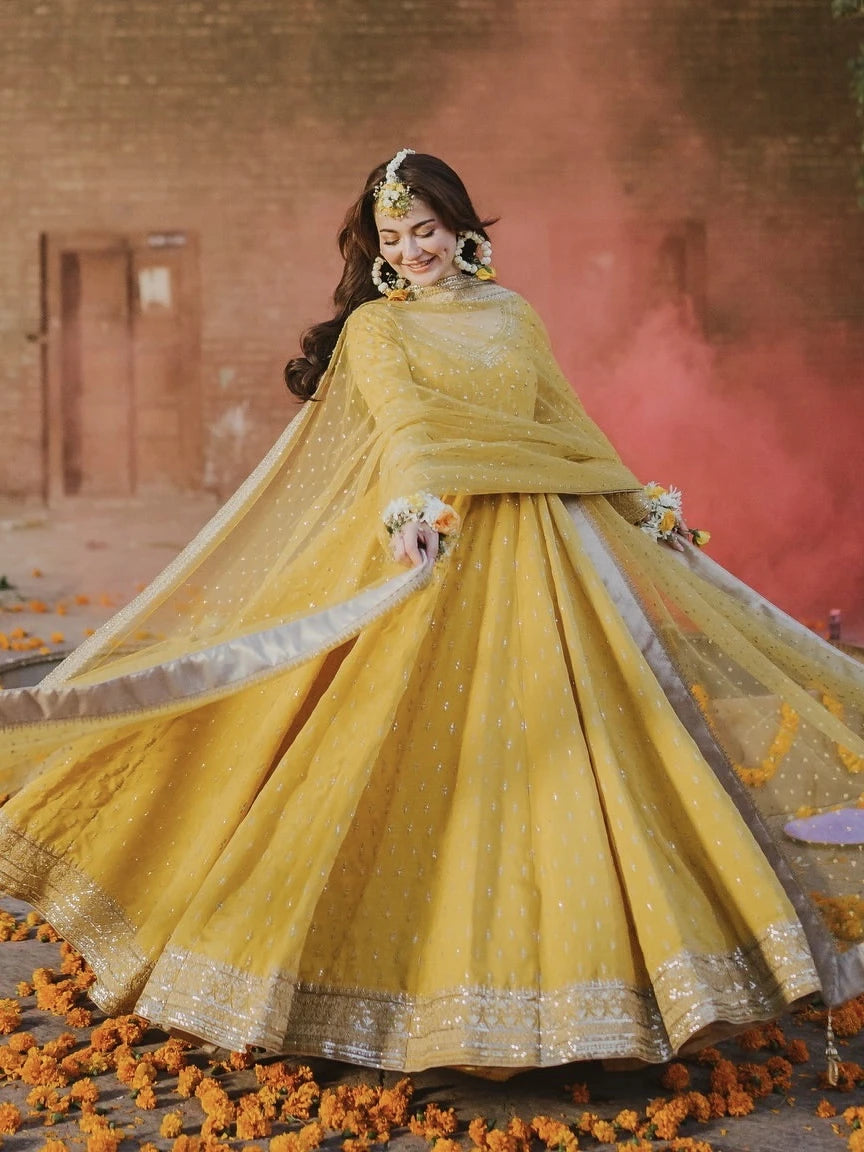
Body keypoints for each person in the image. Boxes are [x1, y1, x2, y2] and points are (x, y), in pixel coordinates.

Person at [0, 149, 863, 1076]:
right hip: (438, 545)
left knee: (590, 752)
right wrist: (414, 511)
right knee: (406, 754)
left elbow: (566, 427)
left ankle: (606, 1003)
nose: (413, 250)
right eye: (394, 236)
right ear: (375, 247)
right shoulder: (378, 331)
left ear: (462, 231)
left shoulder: (513, 316)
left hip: (546, 552)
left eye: (427, 231)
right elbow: (408, 426)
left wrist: (643, 512)